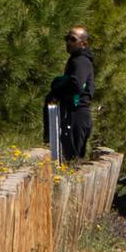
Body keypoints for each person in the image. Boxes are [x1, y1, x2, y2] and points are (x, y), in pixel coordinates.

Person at [48, 26, 95, 160]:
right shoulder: (77, 60)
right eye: (67, 38)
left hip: (77, 114)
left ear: (83, 43)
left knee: (72, 160)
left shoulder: (81, 61)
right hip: (73, 113)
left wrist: (58, 86)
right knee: (67, 158)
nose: (68, 42)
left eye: (72, 39)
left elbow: (76, 85)